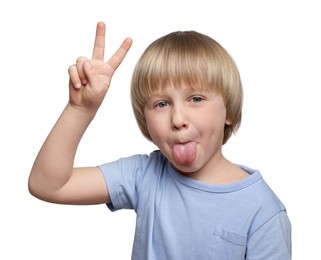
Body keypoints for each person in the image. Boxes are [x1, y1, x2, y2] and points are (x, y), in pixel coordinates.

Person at [28, 21, 292, 259]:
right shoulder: (145, 176)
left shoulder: (263, 211)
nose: (178, 119)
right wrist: (81, 109)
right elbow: (48, 185)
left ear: (229, 112)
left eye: (196, 99)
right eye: (162, 103)